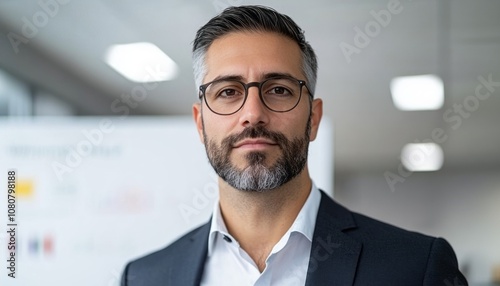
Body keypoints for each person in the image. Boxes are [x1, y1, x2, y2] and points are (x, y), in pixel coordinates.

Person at [121, 5, 467, 286]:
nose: (253, 114)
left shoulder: (415, 268)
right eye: (228, 92)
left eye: (279, 89)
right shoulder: (144, 278)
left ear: (313, 118)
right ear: (199, 122)